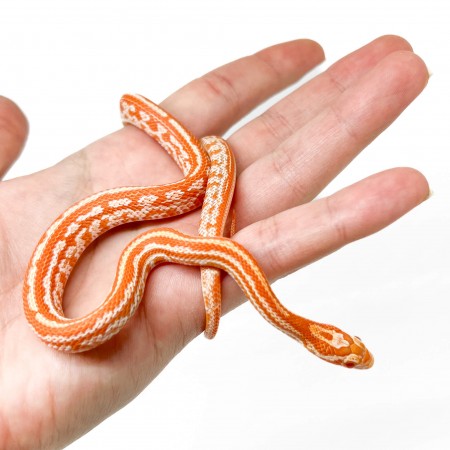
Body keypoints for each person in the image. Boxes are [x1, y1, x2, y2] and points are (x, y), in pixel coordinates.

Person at [0, 35, 429, 449]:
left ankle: (195, 190)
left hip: (185, 215)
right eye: (352, 356)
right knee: (151, 237)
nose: (356, 357)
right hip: (138, 247)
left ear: (325, 344)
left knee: (160, 227)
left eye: (349, 356)